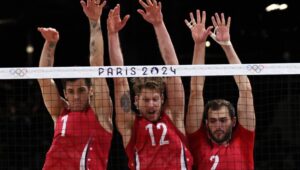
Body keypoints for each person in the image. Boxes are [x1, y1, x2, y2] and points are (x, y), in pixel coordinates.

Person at [107, 1, 193, 169]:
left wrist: (159, 24)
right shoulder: (130, 126)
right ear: (136, 101)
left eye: (154, 99)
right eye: (146, 100)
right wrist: (112, 34)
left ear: (162, 99)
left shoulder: (174, 117)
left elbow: (172, 68)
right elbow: (119, 80)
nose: (151, 104)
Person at [37, 0, 113, 169]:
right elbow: (43, 79)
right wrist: (50, 44)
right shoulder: (60, 113)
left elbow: (97, 66)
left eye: (81, 90)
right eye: (71, 91)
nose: (76, 96)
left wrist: (94, 21)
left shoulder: (100, 114)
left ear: (91, 91)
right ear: (65, 93)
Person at [185, 11, 256, 170]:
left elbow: (245, 90)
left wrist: (227, 45)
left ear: (233, 121)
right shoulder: (198, 143)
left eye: (223, 120)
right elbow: (196, 90)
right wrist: (199, 44)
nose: (218, 126)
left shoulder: (244, 140)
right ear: (206, 123)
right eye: (213, 121)